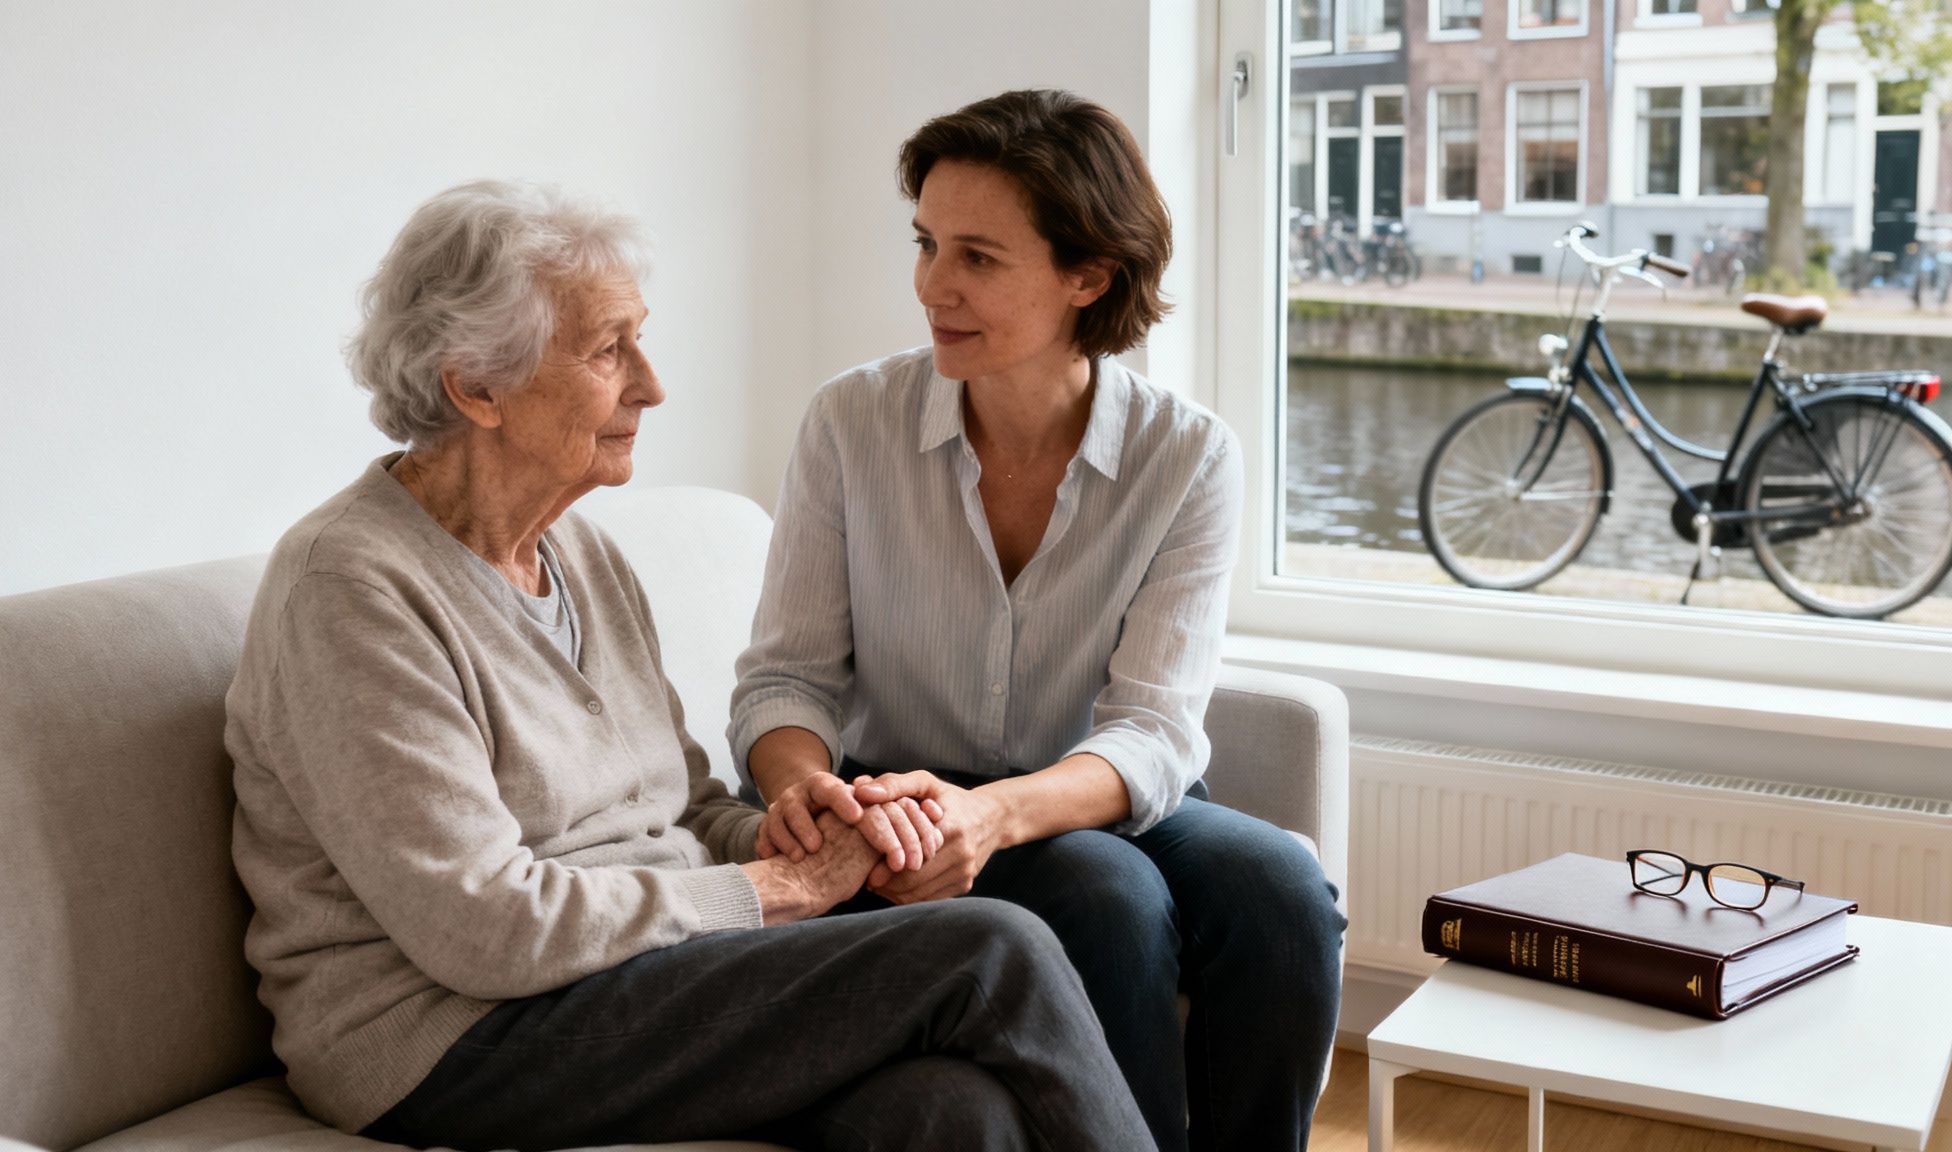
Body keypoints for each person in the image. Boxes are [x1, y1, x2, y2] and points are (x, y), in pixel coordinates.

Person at [224, 179, 1155, 1152]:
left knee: (947, 1114)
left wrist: (790, 833)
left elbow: (676, 805)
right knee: (989, 951)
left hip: (640, 979)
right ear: (475, 385)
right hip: (448, 1038)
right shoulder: (352, 589)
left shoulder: (579, 554)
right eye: (605, 349)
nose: (650, 384)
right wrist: (783, 891)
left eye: (639, 339)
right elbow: (480, 927)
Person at [730, 91, 1347, 1152]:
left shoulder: (1188, 456)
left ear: (1086, 276)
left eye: (976, 256)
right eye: (925, 244)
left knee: (1280, 888)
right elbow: (785, 681)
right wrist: (804, 791)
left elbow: (1153, 730)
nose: (931, 286)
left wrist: (997, 815)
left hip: (1091, 785)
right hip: (899, 798)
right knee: (1100, 891)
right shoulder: (849, 422)